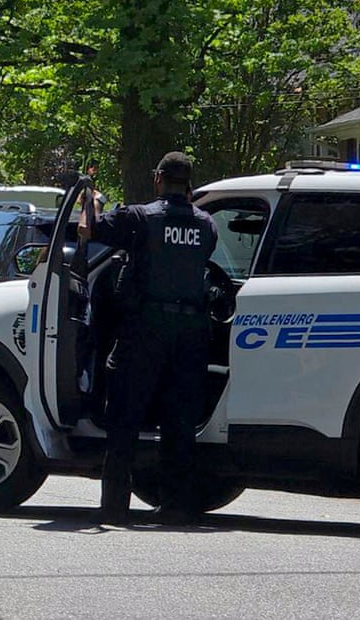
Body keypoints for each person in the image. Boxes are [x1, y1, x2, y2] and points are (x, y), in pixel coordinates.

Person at [77, 151, 218, 525]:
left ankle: (114, 507)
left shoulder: (139, 218)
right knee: (179, 422)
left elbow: (87, 229)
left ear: (158, 179)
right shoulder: (207, 225)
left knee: (124, 418)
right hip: (190, 336)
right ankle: (176, 505)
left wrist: (90, 199)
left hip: (145, 331)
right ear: (188, 184)